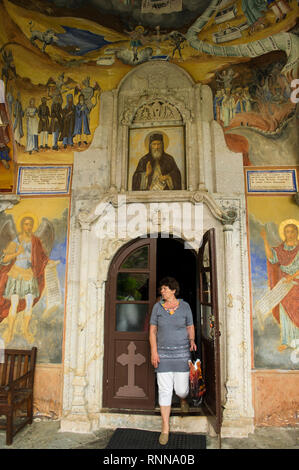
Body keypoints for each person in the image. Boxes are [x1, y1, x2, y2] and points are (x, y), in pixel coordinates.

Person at [149, 277, 197, 445]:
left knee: (182, 389)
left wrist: (192, 340)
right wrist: (154, 352)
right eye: (161, 289)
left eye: (165, 289)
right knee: (164, 391)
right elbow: (152, 331)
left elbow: (190, 325)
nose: (162, 291)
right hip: (163, 355)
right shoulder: (157, 307)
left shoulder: (185, 307)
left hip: (182, 354)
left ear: (174, 290)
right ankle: (165, 428)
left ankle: (183, 399)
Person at [0, 216, 48, 343]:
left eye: (30, 224)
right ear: (22, 226)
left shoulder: (35, 241)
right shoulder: (17, 240)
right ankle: (10, 331)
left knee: (29, 303)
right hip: (16, 274)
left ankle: (25, 330)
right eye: (26, 224)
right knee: (14, 303)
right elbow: (4, 259)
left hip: (28, 274)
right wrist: (17, 253)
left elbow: (42, 257)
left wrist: (50, 263)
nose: (28, 227)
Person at [260, 221, 299, 351]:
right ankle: (287, 341)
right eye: (287, 231)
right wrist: (265, 240)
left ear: (297, 232)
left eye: (292, 231)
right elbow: (271, 257)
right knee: (285, 312)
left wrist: (292, 277)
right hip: (284, 285)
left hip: (296, 283)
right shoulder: (281, 250)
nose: (290, 234)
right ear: (284, 234)